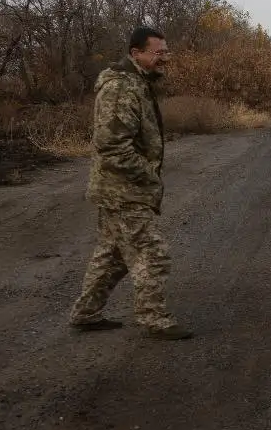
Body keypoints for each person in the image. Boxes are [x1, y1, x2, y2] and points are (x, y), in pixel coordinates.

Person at [68, 26, 192, 340]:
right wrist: (147, 174)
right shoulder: (121, 87)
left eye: (166, 51)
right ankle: (155, 320)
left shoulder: (138, 82)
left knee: (112, 255)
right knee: (152, 252)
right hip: (122, 189)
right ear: (136, 53)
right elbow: (111, 146)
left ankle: (86, 314)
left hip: (121, 188)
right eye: (158, 52)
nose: (164, 57)